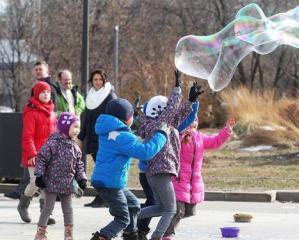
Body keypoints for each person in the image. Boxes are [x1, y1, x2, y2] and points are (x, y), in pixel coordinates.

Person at [89, 98, 168, 240]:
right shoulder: (122, 136)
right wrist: (161, 135)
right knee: (122, 219)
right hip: (111, 184)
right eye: (132, 116)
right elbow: (144, 152)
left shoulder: (109, 132)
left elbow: (130, 142)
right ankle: (102, 236)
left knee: (133, 204)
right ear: (125, 118)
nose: (134, 119)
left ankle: (130, 234)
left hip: (108, 181)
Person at [137, 71, 201, 240]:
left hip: (159, 173)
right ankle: (157, 237)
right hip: (161, 172)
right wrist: (177, 88)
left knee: (160, 207)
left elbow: (178, 115)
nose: (171, 113)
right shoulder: (155, 125)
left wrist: (192, 101)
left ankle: (129, 216)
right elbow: (171, 110)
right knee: (170, 209)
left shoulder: (165, 125)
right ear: (160, 112)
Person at [163, 117, 235, 239]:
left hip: (193, 182)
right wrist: (182, 134)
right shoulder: (178, 138)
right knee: (178, 211)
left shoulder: (200, 137)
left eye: (194, 125)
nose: (192, 128)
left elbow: (215, 141)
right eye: (190, 125)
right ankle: (166, 235)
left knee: (190, 212)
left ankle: (166, 219)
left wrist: (226, 130)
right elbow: (171, 145)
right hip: (179, 180)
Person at [33, 112, 87, 240]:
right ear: (64, 127)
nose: (77, 130)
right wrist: (39, 176)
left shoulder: (75, 147)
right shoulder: (52, 143)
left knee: (68, 209)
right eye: (74, 127)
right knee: (47, 208)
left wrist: (82, 178)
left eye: (78, 127)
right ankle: (40, 233)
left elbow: (79, 164)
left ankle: (68, 234)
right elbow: (41, 159)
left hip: (67, 183)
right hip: (51, 182)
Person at [17, 81, 57, 225]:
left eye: (48, 92)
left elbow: (55, 135)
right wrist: (33, 154)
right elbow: (27, 137)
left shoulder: (52, 112)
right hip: (33, 154)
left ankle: (45, 213)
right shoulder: (31, 112)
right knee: (35, 182)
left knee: (46, 183)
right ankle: (23, 205)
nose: (46, 94)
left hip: (49, 155)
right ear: (36, 93)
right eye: (43, 92)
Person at [77, 69, 116, 208]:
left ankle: (104, 198)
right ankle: (102, 197)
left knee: (102, 169)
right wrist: (81, 137)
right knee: (100, 168)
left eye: (100, 79)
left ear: (104, 80)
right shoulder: (91, 95)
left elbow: (115, 118)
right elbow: (86, 118)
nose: (98, 82)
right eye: (95, 79)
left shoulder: (110, 96)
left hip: (105, 138)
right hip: (93, 138)